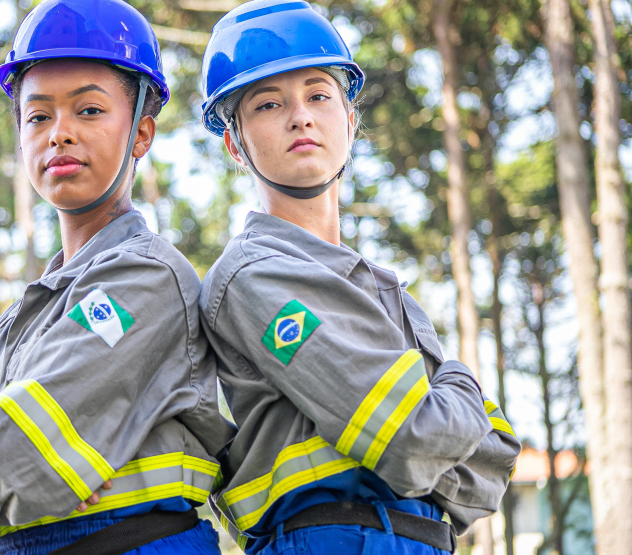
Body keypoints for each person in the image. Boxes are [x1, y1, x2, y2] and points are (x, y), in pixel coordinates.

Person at [0, 1, 235, 553]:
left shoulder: (147, 280)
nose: (59, 134)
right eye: (38, 116)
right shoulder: (4, 335)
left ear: (141, 134)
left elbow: (16, 456)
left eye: (89, 111)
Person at [197, 1, 521, 553]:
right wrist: (460, 380)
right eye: (269, 103)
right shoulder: (253, 276)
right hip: (326, 538)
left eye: (319, 95)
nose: (300, 116)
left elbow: (488, 475)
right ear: (235, 143)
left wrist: (432, 425)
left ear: (350, 120)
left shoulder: (386, 288)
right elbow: (414, 443)